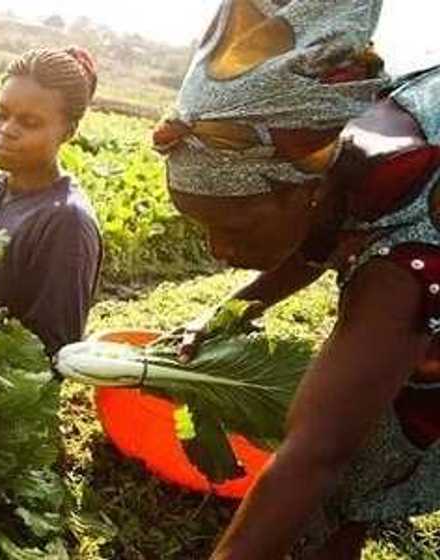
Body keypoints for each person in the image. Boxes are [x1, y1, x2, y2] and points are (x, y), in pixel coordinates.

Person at [153, 0, 440, 557]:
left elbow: (314, 456)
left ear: (304, 194)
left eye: (233, 227)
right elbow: (318, 239)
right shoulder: (319, 157)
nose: (219, 252)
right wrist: (228, 311)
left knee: (359, 439)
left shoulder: (398, 261)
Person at [0, 47, 104, 353]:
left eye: (29, 123)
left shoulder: (66, 222)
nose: (5, 130)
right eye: (1, 114)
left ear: (68, 132)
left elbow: (50, 353)